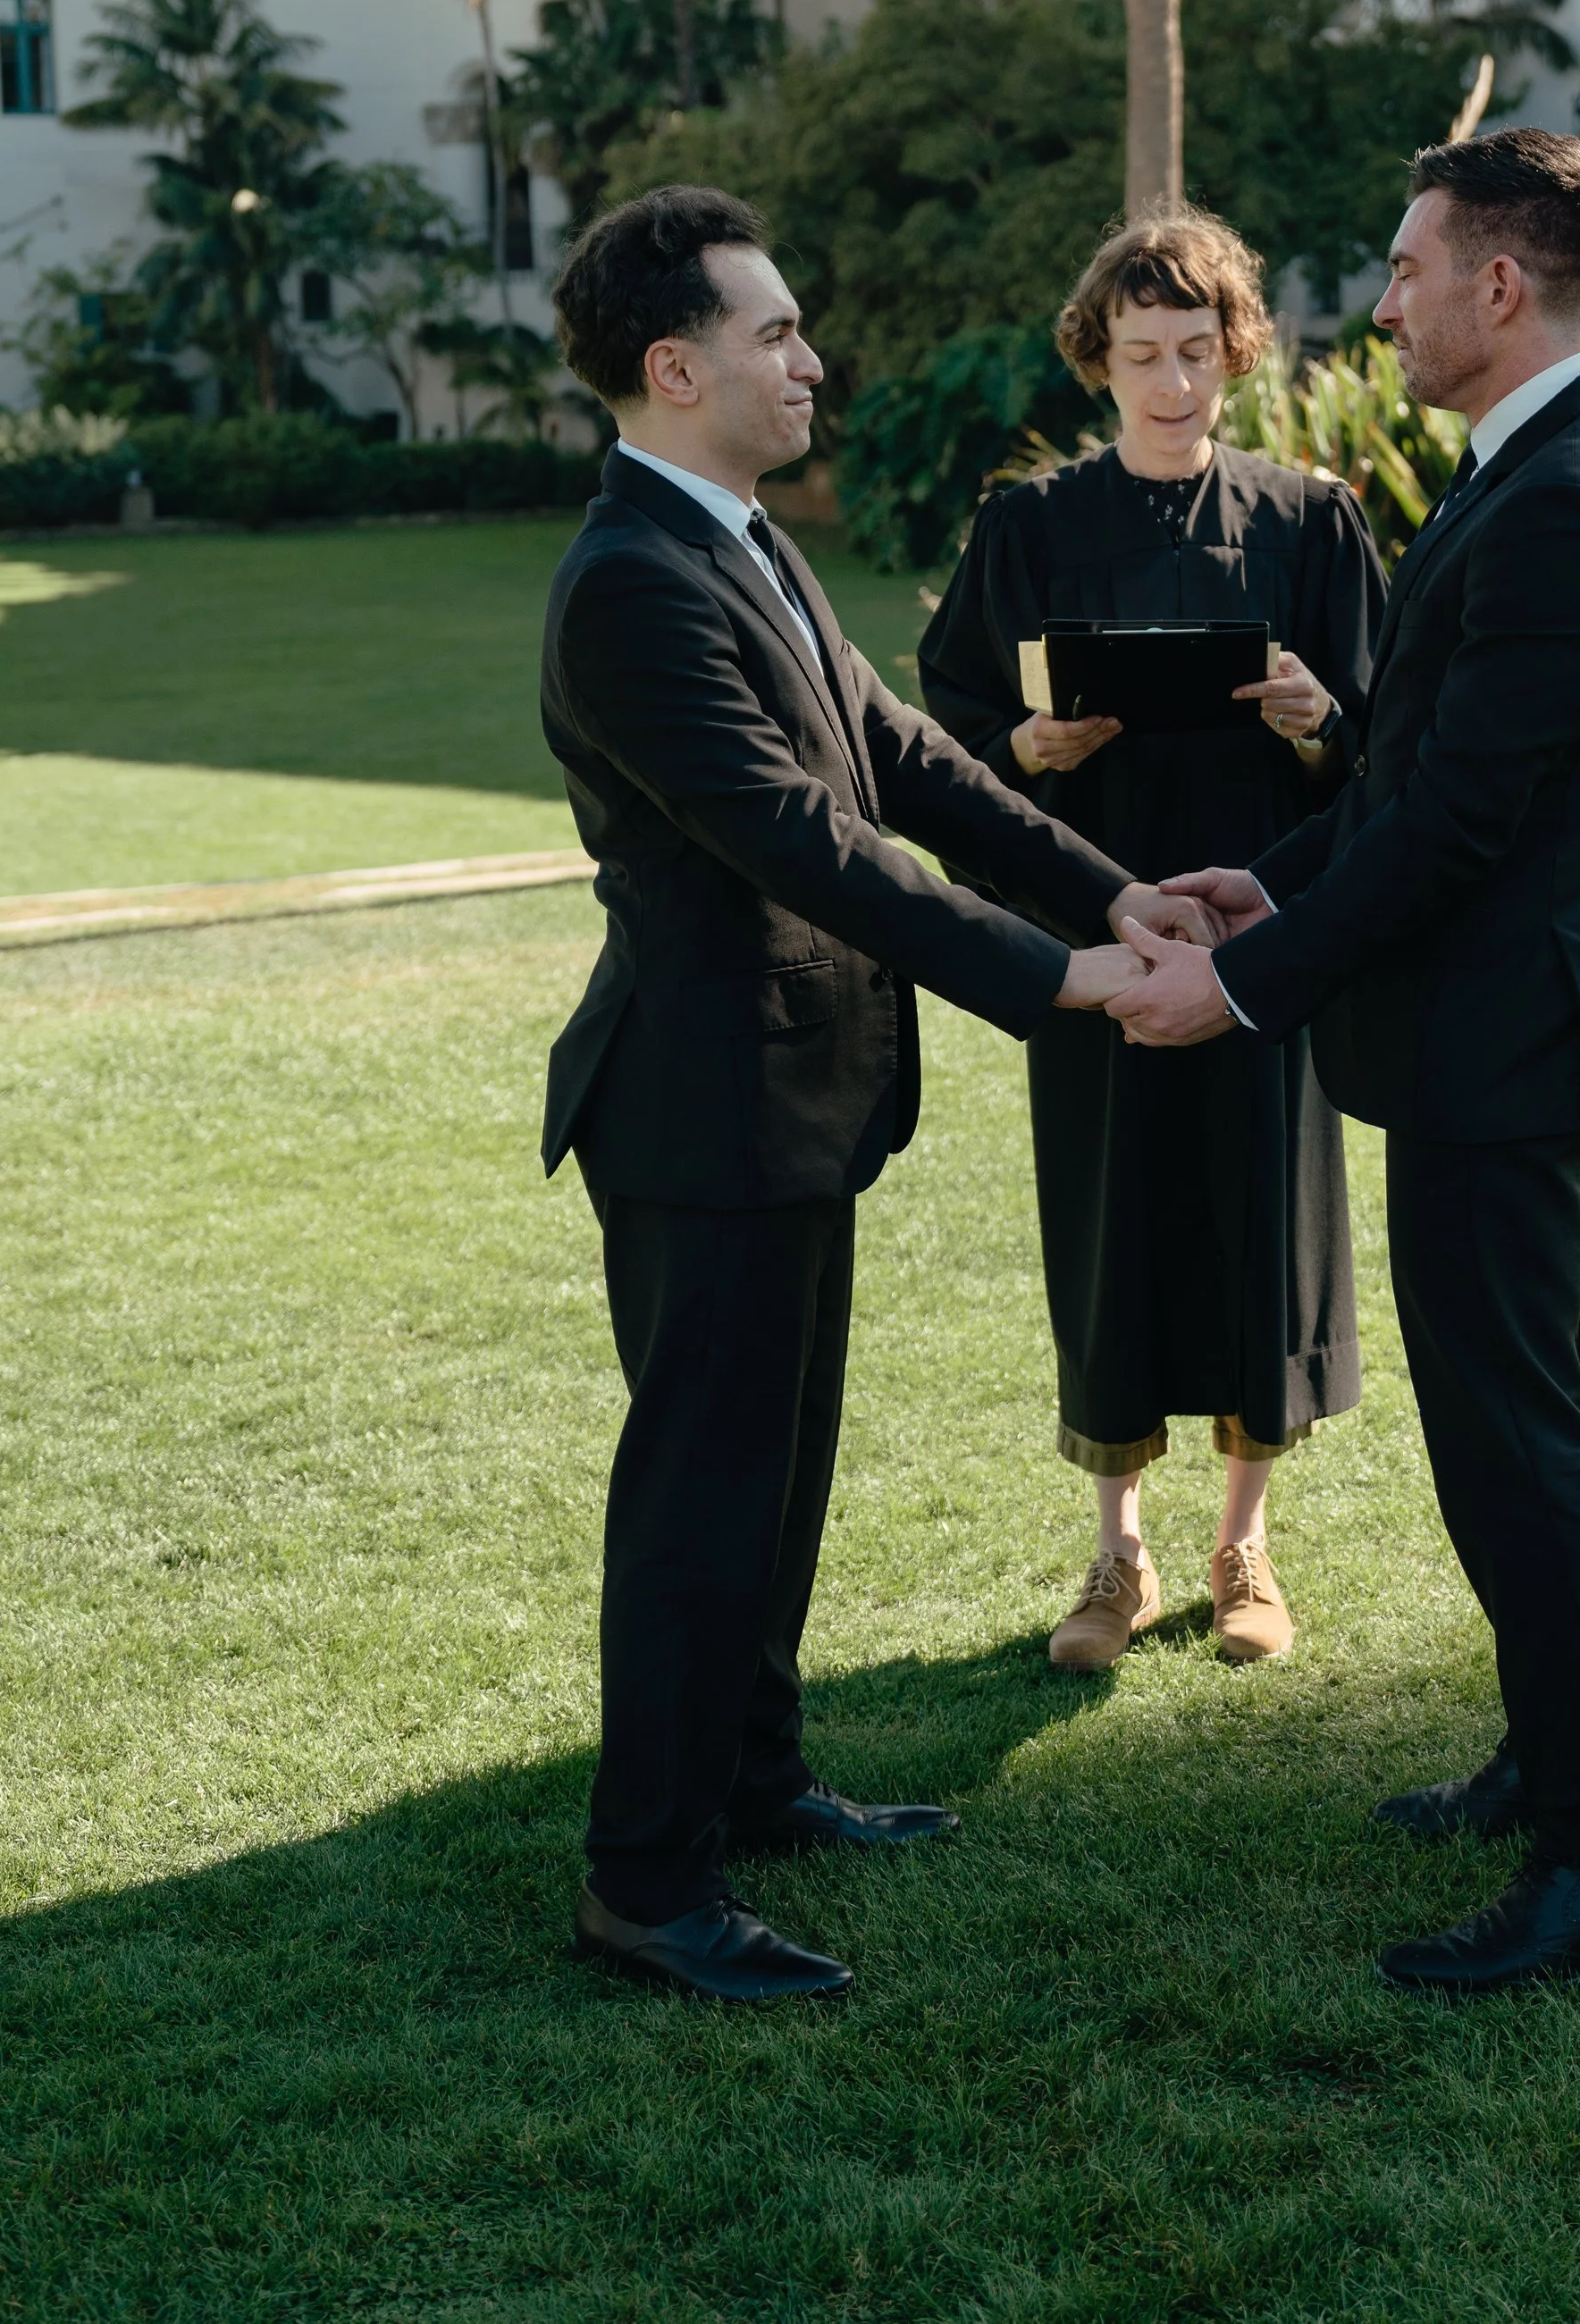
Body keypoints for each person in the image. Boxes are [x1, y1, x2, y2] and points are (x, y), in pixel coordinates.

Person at [540, 185, 1212, 2008]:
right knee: (700, 1501)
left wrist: (1104, 891)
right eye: (771, 334)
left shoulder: (739, 535)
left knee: (774, 1484)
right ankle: (647, 1884)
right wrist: (1061, 980)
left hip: (796, 1098)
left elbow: (899, 757)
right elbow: (798, 840)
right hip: (698, 1112)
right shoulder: (628, 584)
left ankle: (754, 1786)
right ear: (675, 370)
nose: (807, 357)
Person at [1107, 129, 1580, 1997]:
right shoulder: (1525, 473)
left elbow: (1452, 828)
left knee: (1519, 1444)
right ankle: (1564, 1755)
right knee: (1546, 1426)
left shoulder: (1562, 504)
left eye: (1403, 268)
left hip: (1505, 1039)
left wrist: (1248, 985)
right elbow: (1404, 779)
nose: (1380, 304)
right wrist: (1255, 878)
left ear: (1498, 287)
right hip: (1504, 1024)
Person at [918, 211, 1384, 1670]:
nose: (1171, 381)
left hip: (1259, 940)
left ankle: (1247, 1548)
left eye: (1196, 350)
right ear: (1097, 360)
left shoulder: (1313, 524)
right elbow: (945, 737)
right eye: (1140, 355)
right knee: (1112, 1223)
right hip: (1098, 941)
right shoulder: (1028, 529)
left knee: (1260, 1218)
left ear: (1239, 349)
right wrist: (1031, 742)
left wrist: (1322, 725)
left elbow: (1396, 756)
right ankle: (1115, 1552)